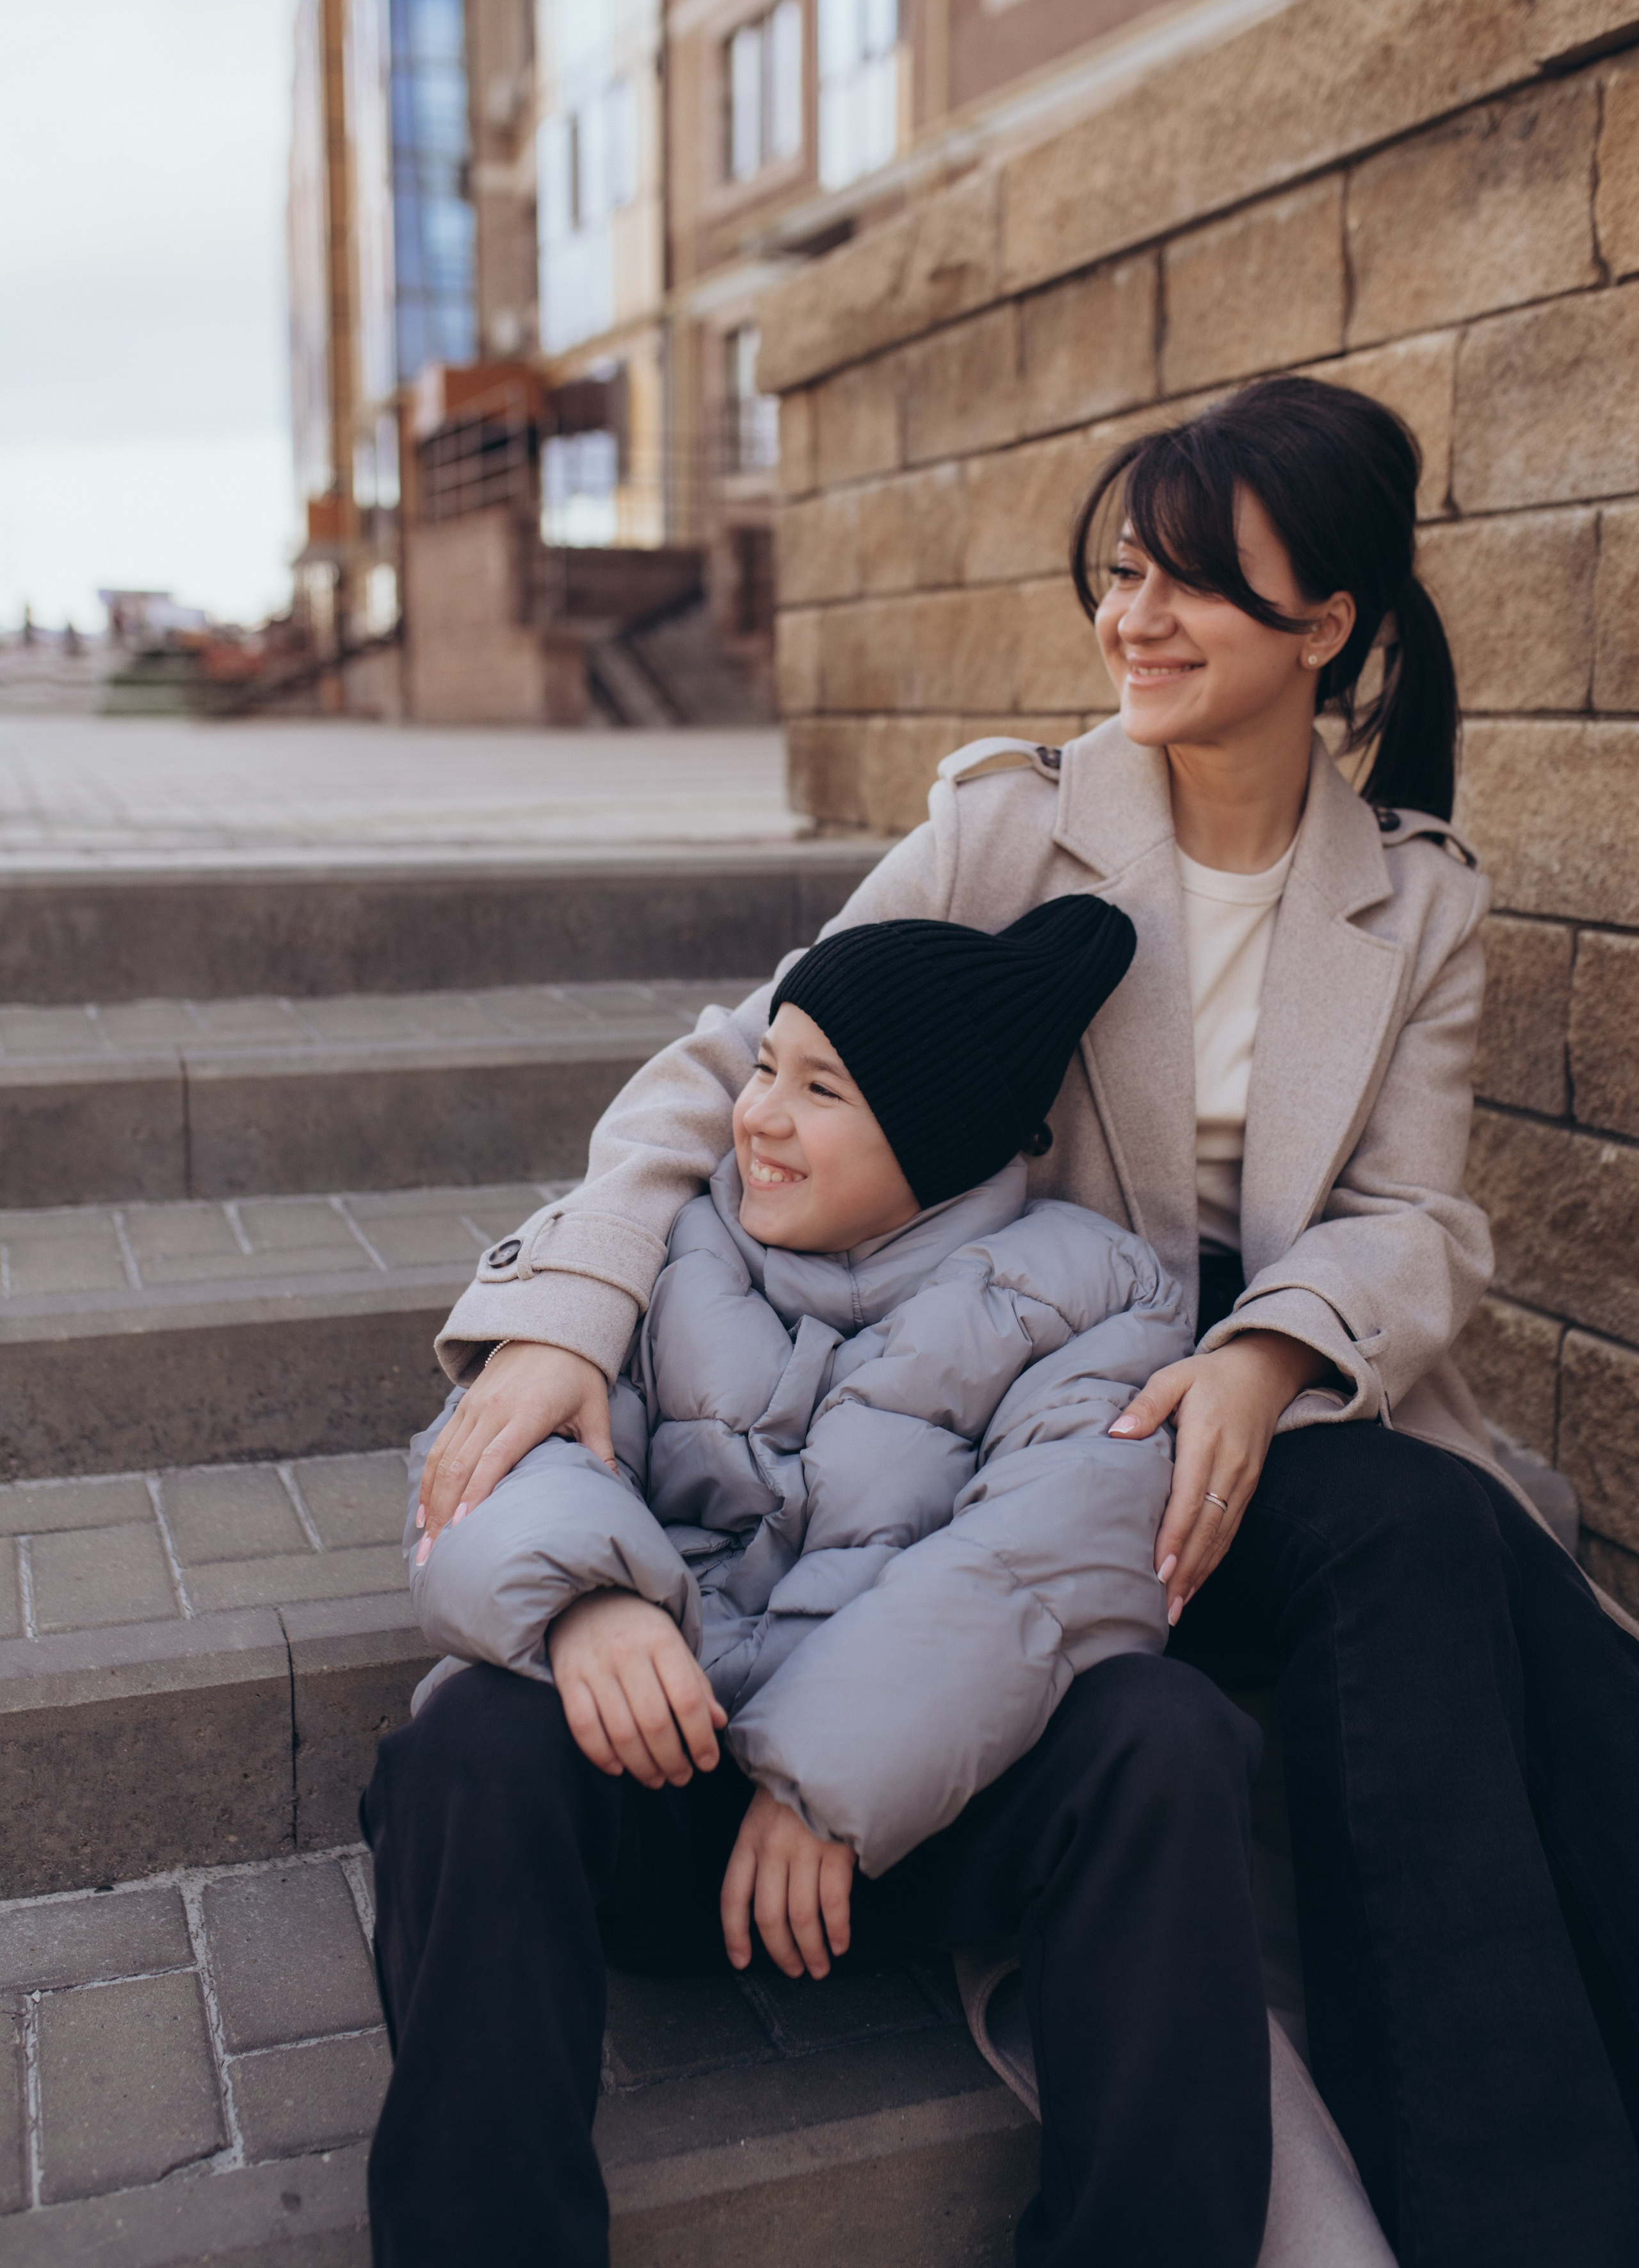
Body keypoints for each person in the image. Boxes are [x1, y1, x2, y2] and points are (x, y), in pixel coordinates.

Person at [401, 373, 1639, 2267]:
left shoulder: (1414, 896)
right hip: (1021, 1406)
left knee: (1444, 1541)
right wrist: (569, 1315)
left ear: (1329, 626)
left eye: (1195, 589)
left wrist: (1267, 1348)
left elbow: (1416, 1217)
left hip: (1259, 1394)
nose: (1132, 620)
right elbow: (732, 1071)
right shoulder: (1015, 828)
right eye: (1125, 573)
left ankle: (1516, 2184)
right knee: (1426, 1556)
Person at [365, 900, 1279, 2268]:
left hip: (909, 1833)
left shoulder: (1098, 1293)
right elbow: (484, 1452)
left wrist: (829, 1774)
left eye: (818, 1088)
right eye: (761, 1072)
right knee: (472, 1743)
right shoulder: (659, 1242)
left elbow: (1051, 1559)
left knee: (1167, 1736)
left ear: (936, 1132)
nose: (756, 1117)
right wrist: (590, 1602)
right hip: (657, 1772)